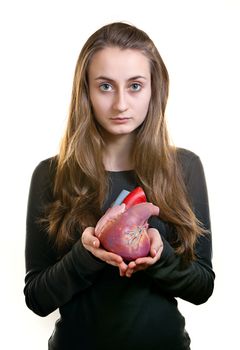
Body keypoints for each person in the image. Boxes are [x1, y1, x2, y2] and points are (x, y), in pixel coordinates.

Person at [24, 22, 215, 350]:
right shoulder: (50, 174)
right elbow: (37, 298)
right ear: (85, 90)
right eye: (106, 86)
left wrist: (160, 256)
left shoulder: (184, 168)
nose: (121, 104)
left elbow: (203, 287)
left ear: (155, 88)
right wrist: (87, 253)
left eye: (135, 86)